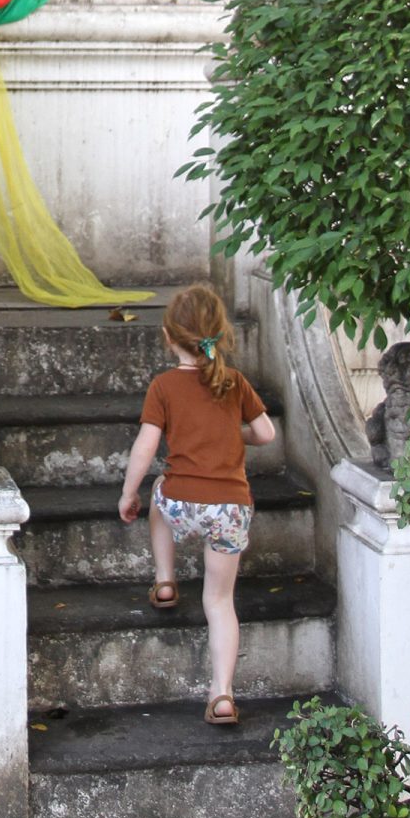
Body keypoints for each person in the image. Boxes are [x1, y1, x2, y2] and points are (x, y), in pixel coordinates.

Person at [116, 282, 277, 726]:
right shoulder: (234, 382)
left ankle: (165, 580)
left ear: (169, 337)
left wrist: (129, 493)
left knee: (157, 499)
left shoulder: (164, 386)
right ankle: (222, 694)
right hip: (229, 510)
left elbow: (146, 449)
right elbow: (266, 435)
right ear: (219, 335)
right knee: (220, 602)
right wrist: (234, 433)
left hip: (181, 502)